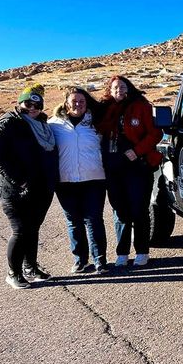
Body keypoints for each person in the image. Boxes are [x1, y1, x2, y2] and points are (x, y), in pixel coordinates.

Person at [0, 84, 58, 289]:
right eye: (28, 103)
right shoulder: (9, 122)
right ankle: (13, 273)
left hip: (40, 187)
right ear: (20, 103)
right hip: (14, 189)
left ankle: (30, 268)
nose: (33, 108)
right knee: (20, 230)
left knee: (33, 229)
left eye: (37, 104)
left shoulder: (43, 124)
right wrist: (20, 180)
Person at [98, 75, 163, 267]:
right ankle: (122, 253)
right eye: (115, 87)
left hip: (137, 165)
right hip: (113, 165)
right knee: (120, 211)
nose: (119, 90)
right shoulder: (104, 109)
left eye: (122, 86)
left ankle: (142, 251)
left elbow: (155, 133)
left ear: (129, 88)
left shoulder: (141, 106)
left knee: (138, 209)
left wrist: (137, 151)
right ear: (109, 90)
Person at [49, 86, 109, 275]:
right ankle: (80, 260)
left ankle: (100, 261)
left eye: (82, 101)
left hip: (94, 179)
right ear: (66, 103)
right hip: (65, 181)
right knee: (73, 222)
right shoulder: (54, 125)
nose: (78, 105)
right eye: (74, 101)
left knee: (94, 220)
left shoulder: (95, 124)